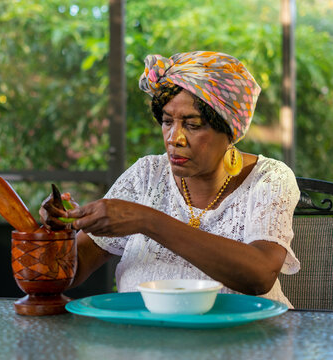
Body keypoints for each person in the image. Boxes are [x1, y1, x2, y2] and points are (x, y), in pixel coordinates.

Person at [41, 51, 300, 307]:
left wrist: (144, 220)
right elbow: (69, 272)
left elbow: (259, 276)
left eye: (193, 125)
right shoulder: (147, 175)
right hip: (145, 341)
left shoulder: (269, 178)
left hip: (245, 343)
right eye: (167, 121)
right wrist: (60, 234)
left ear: (229, 131)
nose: (174, 138)